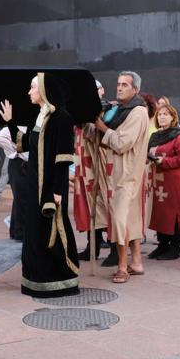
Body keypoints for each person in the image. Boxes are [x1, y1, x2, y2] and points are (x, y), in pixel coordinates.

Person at [0, 73, 79, 298]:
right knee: (35, 232)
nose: (29, 92)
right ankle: (37, 281)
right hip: (35, 185)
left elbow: (63, 158)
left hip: (51, 189)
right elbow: (24, 146)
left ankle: (61, 281)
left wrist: (56, 191)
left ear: (43, 91)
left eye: (32, 88)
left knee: (52, 231)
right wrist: (10, 121)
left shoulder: (61, 118)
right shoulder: (41, 117)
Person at [93, 71, 149, 283]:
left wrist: (101, 126)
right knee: (129, 218)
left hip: (128, 172)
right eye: (118, 84)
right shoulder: (122, 110)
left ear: (135, 89)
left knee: (121, 220)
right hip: (122, 172)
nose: (119, 87)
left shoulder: (137, 112)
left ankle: (123, 267)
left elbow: (122, 142)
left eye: (125, 85)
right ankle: (136, 262)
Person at [74, 80, 113, 263]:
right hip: (84, 168)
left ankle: (115, 250)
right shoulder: (80, 112)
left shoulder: (109, 110)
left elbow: (102, 136)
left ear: (101, 91)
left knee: (107, 208)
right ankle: (93, 247)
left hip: (101, 166)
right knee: (90, 209)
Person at [146, 105, 180, 260]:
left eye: (165, 114)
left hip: (171, 180)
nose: (161, 117)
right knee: (159, 213)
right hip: (156, 180)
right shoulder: (155, 136)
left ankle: (175, 247)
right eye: (159, 115)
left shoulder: (179, 136)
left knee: (173, 212)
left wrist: (164, 161)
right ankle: (162, 245)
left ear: (173, 117)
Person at [0, 124, 29, 241]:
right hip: (18, 163)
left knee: (20, 198)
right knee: (21, 199)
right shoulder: (15, 126)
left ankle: (15, 231)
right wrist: (14, 151)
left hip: (25, 164)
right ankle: (20, 232)